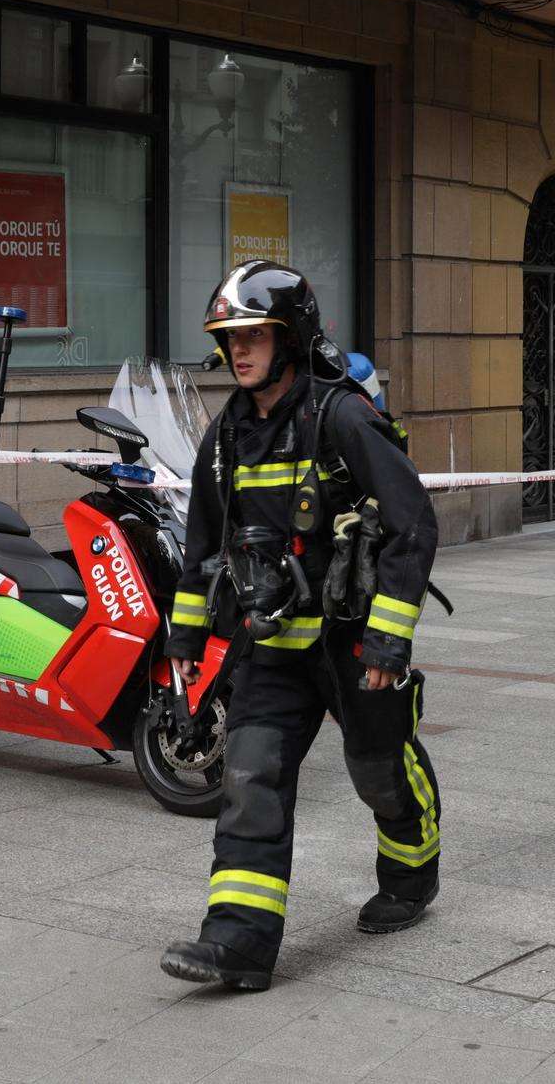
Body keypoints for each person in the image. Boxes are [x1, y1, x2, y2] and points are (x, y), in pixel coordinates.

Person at [159, 262, 442, 993]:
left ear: (291, 335)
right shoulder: (226, 436)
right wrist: (184, 644)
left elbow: (413, 524)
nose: (239, 350)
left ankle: (411, 876)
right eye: (229, 338)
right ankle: (238, 944)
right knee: (250, 778)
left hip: (353, 641)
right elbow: (202, 549)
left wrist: (388, 640)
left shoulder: (341, 415)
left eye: (253, 334)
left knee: (378, 768)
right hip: (274, 647)